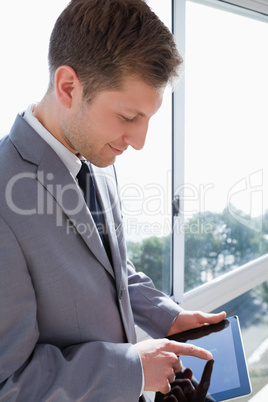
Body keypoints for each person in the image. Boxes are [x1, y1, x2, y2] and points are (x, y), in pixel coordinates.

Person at [0, 1, 226, 401]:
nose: (139, 142)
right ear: (69, 87)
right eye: (128, 117)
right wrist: (133, 370)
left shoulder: (97, 156)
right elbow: (8, 382)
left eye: (147, 119)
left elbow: (112, 266)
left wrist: (167, 316)